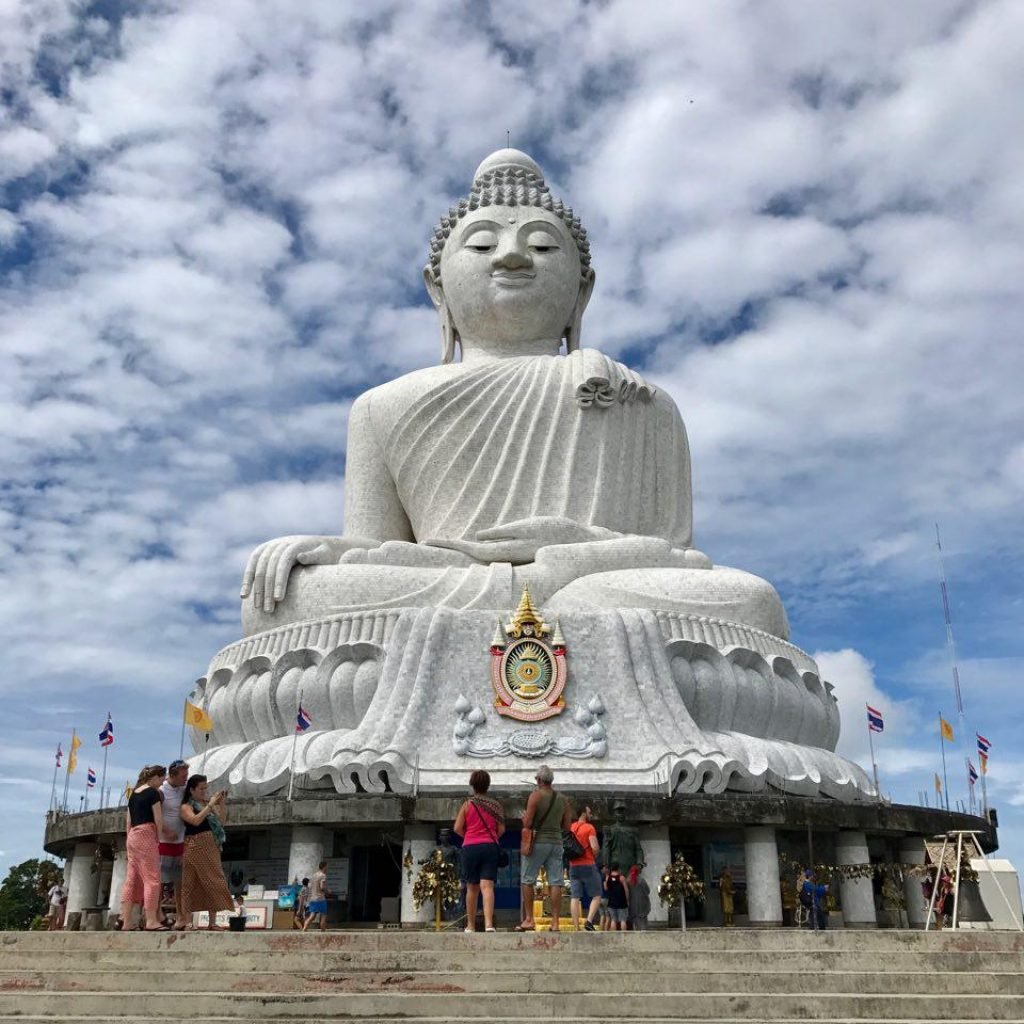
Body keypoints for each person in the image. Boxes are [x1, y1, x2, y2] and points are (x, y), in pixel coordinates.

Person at [517, 765, 571, 932]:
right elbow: (567, 826)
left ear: (539, 780)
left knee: (528, 880)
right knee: (556, 882)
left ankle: (529, 919)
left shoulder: (535, 796)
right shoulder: (563, 799)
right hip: (556, 843)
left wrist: (524, 816)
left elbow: (528, 823)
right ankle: (555, 922)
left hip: (537, 842)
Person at [179, 774, 235, 930]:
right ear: (192, 790)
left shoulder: (205, 804)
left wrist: (221, 804)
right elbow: (195, 820)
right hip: (194, 845)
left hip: (211, 845)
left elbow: (221, 822)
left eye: (206, 788)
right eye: (201, 788)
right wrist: (209, 806)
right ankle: (187, 921)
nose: (204, 791)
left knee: (212, 881)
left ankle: (212, 922)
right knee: (189, 883)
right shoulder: (186, 806)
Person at [453, 769, 505, 933]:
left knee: (471, 888)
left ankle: (471, 925)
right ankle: (489, 924)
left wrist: (468, 836)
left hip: (470, 847)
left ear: (472, 785)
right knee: (487, 886)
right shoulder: (496, 805)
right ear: (488, 785)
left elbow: (457, 828)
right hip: (490, 847)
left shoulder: (468, 804)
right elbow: (501, 829)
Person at [119, 764, 167, 931]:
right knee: (152, 879)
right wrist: (158, 838)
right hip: (147, 833)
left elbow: (128, 822)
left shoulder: (133, 794)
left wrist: (128, 842)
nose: (161, 783)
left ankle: (126, 921)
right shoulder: (152, 793)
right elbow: (158, 819)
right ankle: (151, 920)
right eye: (161, 779)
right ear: (154, 777)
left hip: (133, 836)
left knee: (131, 879)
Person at [159, 759, 189, 930]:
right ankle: (156, 914)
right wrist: (165, 829)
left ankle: (181, 916)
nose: (185, 779)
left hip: (180, 842)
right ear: (173, 775)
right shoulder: (162, 791)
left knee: (180, 882)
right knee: (160, 882)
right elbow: (154, 813)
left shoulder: (183, 790)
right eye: (183, 776)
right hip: (164, 842)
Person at [567, 805, 602, 932]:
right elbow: (594, 847)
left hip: (573, 865)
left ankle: (576, 927)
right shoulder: (589, 828)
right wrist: (596, 853)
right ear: (583, 813)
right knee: (597, 895)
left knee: (575, 897)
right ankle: (588, 921)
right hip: (587, 864)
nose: (591, 815)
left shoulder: (571, 827)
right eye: (590, 812)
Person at [303, 861, 329, 931]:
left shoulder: (314, 875)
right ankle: (323, 930)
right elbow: (322, 887)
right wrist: (328, 891)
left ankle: (304, 928)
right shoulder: (323, 875)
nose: (327, 868)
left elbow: (309, 886)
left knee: (312, 915)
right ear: (324, 866)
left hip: (312, 898)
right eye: (327, 866)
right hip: (320, 898)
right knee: (323, 915)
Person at [604, 863, 630, 931]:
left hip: (611, 902)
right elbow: (626, 890)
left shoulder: (608, 878)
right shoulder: (621, 878)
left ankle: (614, 936)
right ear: (618, 869)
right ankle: (624, 936)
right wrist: (627, 899)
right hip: (622, 902)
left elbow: (606, 888)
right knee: (623, 920)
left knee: (613, 920)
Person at [628, 863, 651, 931]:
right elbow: (648, 891)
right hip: (642, 903)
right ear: (638, 872)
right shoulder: (641, 880)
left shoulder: (628, 880)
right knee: (643, 921)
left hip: (632, 903)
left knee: (634, 921)